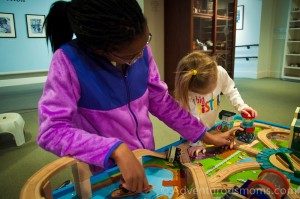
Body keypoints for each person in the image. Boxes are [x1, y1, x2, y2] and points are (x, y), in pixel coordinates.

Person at [37, 0, 236, 194]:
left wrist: (205, 135)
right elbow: (52, 131)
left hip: (145, 157)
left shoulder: (140, 51)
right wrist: (115, 149)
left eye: (146, 42)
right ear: (100, 50)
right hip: (105, 171)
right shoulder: (67, 62)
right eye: (131, 55)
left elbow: (162, 102)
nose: (141, 56)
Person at [174, 51, 258, 156]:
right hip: (191, 135)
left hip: (210, 128)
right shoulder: (187, 93)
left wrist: (241, 106)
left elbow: (231, 90)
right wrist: (196, 142)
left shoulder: (220, 72)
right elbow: (192, 122)